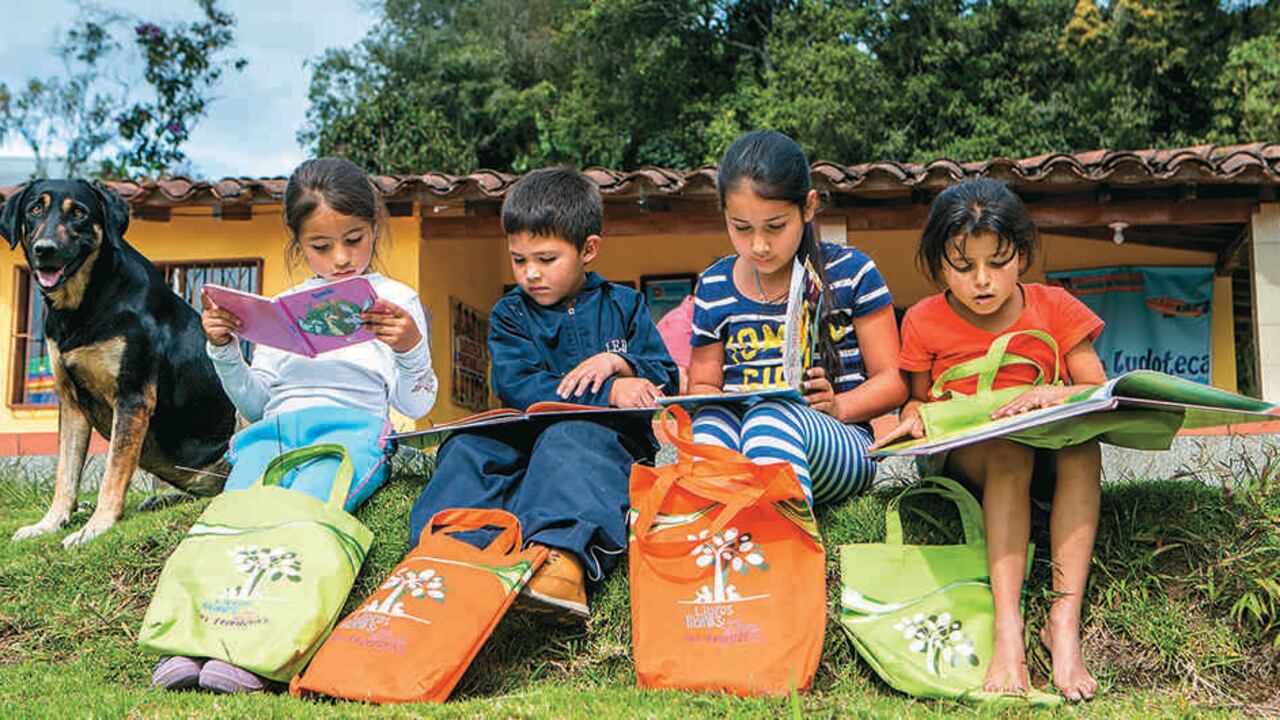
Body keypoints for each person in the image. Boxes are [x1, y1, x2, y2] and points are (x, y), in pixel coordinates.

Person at [152, 156, 438, 694]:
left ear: (375, 225)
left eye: (354, 240)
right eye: (321, 247)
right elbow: (258, 404)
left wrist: (409, 347)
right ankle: (193, 642)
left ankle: (259, 653)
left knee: (303, 520)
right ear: (297, 242)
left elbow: (418, 403)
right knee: (236, 516)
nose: (341, 259)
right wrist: (226, 350)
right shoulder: (281, 306)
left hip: (350, 429)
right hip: (275, 428)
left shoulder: (397, 301)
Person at [408, 167, 679, 623]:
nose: (530, 273)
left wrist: (622, 364)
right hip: (524, 434)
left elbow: (666, 373)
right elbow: (518, 385)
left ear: (588, 249)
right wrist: (610, 391)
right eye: (519, 260)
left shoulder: (626, 305)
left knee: (570, 437)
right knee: (466, 448)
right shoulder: (510, 313)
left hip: (604, 444)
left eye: (547, 259)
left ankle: (560, 561)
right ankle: (442, 556)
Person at [873, 178, 1106, 702]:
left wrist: (1049, 392)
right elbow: (916, 400)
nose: (982, 280)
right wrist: (910, 421)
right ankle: (1009, 632)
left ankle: (1062, 626)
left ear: (1021, 256)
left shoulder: (1056, 306)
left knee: (1082, 447)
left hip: (1049, 449)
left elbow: (1095, 387)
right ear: (938, 266)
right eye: (963, 266)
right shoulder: (924, 319)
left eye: (997, 262)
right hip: (970, 459)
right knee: (1007, 450)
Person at [686, 130, 907, 506]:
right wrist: (719, 401)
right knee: (709, 424)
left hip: (841, 440)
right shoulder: (714, 285)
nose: (759, 245)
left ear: (808, 207)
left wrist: (840, 406)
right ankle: (722, 542)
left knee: (769, 418)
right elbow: (703, 384)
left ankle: (785, 544)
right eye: (741, 228)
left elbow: (894, 381)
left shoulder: (851, 272)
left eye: (775, 227)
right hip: (745, 436)